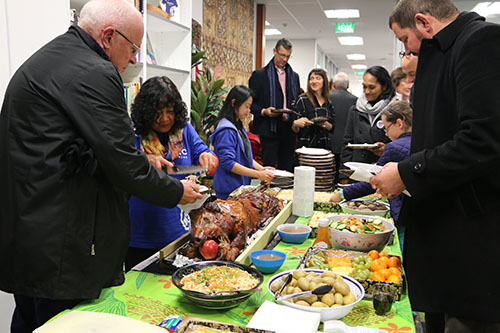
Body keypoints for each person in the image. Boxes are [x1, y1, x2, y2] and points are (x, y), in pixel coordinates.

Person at [0, 1, 201, 332]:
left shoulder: (53, 58)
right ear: (108, 36)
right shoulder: (95, 71)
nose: (135, 59)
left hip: (29, 238)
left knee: (30, 321)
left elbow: (67, 148)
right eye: (134, 48)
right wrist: (177, 190)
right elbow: (123, 163)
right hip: (60, 249)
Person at [371, 0, 500, 331]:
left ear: (423, 23)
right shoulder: (450, 52)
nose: (408, 52)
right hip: (445, 242)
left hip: (470, 248)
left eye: (405, 41)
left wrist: (404, 173)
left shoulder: (480, 41)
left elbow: (481, 141)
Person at [126, 76, 218, 271]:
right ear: (145, 113)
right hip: (139, 235)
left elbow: (206, 153)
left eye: (170, 111)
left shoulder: (184, 130)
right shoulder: (131, 135)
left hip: (179, 233)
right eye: (157, 113)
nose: (165, 118)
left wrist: (207, 157)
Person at [330, 101, 412, 250]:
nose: (386, 134)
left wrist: (342, 194)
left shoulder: (394, 147)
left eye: (387, 128)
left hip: (403, 213)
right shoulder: (419, 141)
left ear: (399, 123)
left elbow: (373, 181)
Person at [211, 85, 275, 199]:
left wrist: (261, 169)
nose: (249, 111)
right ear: (234, 102)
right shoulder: (226, 130)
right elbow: (228, 163)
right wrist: (258, 174)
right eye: (247, 106)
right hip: (229, 190)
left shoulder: (238, 125)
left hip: (238, 187)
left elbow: (246, 155)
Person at [249, 38, 301, 172]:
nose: (284, 59)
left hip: (288, 129)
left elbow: (297, 102)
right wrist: (264, 111)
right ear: (274, 51)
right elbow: (251, 104)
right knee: (269, 170)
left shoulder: (294, 77)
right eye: (282, 55)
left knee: (287, 170)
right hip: (268, 129)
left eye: (288, 56)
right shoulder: (259, 75)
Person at [340, 66, 398, 174]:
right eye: (364, 87)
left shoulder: (395, 109)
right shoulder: (356, 109)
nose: (367, 91)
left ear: (384, 86)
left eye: (371, 87)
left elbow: (403, 143)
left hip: (385, 170)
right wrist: (344, 174)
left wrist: (386, 150)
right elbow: (347, 143)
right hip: (358, 171)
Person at [292, 68, 335, 149]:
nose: (314, 81)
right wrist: (296, 124)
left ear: (324, 81)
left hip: (324, 147)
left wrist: (328, 126)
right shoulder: (302, 99)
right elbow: (294, 129)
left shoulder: (328, 102)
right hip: (306, 147)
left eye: (318, 78)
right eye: (311, 79)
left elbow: (333, 127)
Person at [329, 72, 358, 183]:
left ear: (333, 85)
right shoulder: (356, 100)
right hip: (347, 147)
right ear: (348, 85)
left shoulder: (326, 98)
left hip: (329, 144)